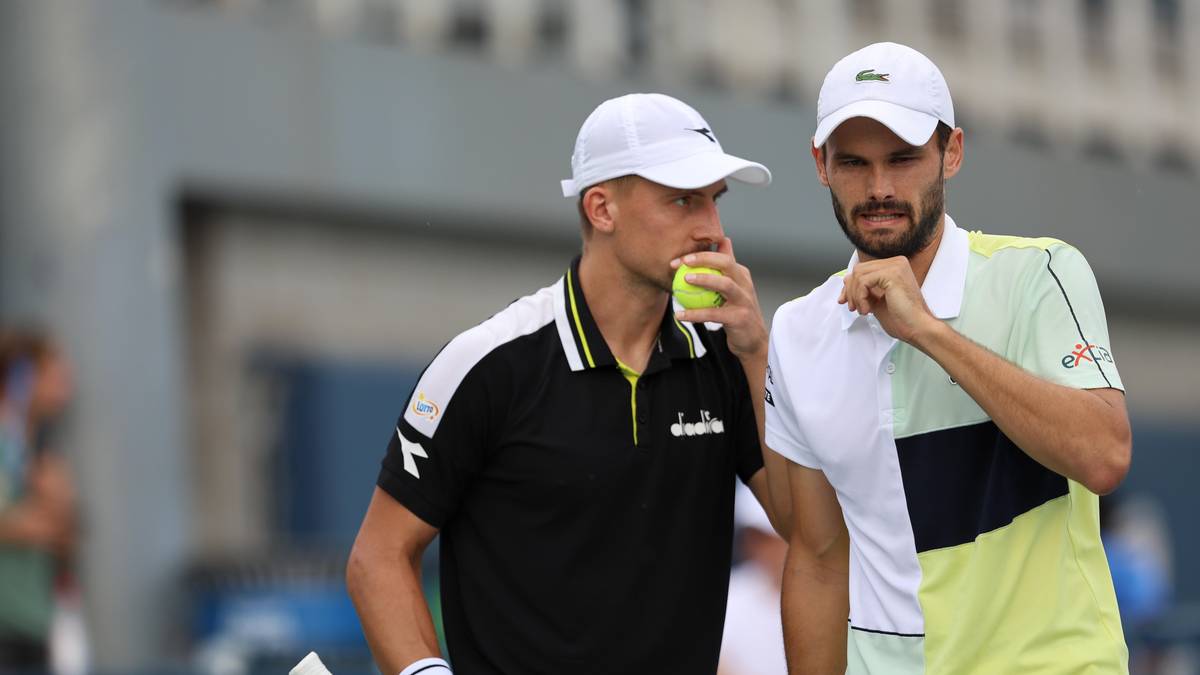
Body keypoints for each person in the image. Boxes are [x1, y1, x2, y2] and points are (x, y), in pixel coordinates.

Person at [347, 92, 791, 675]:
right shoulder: (489, 363)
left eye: (715, 200)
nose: (710, 227)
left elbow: (805, 531)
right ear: (601, 208)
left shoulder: (730, 357)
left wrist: (757, 353)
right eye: (682, 200)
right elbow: (377, 557)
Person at [764, 42, 1132, 674]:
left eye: (903, 159)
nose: (879, 188)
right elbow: (820, 558)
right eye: (854, 162)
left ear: (951, 153)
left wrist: (928, 332)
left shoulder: (1041, 273)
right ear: (821, 164)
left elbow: (1103, 455)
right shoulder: (797, 329)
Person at [0, 330, 78, 672]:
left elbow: (66, 536)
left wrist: (58, 506)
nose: (65, 388)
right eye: (54, 376)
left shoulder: (37, 452)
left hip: (33, 621)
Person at [718, 483, 788, 675]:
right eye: (756, 537)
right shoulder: (727, 594)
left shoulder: (838, 600)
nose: (763, 548)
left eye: (770, 538)